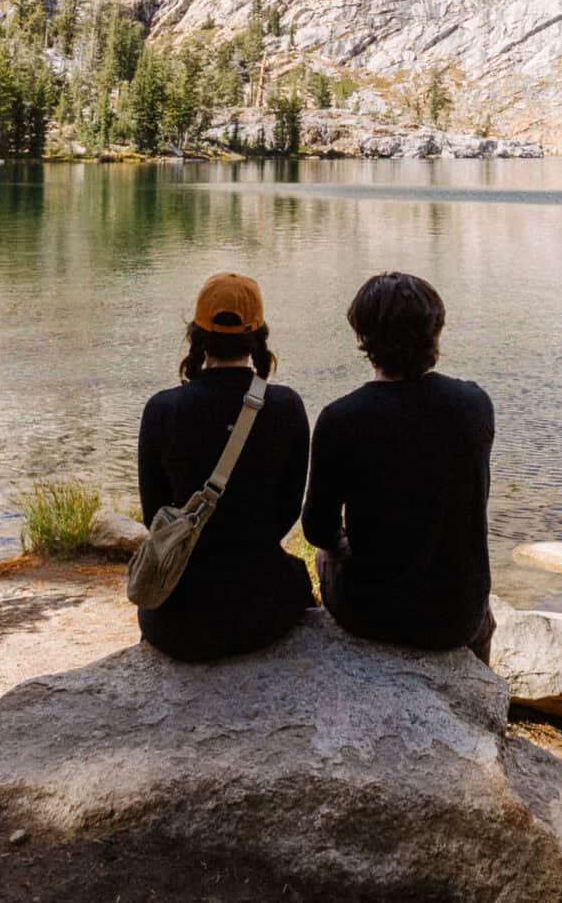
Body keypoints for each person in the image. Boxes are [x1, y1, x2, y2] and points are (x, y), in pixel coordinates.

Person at [302, 271, 496, 655]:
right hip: (457, 616)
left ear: (363, 339)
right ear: (434, 333)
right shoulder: (474, 403)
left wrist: (344, 540)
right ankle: (474, 709)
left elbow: (317, 530)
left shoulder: (340, 418)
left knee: (326, 556)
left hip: (372, 614)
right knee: (482, 620)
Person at [133, 270, 315, 662]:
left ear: (196, 335)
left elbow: (156, 516)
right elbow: (288, 511)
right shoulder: (287, 406)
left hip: (175, 620)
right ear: (259, 334)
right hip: (264, 612)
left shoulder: (161, 409)